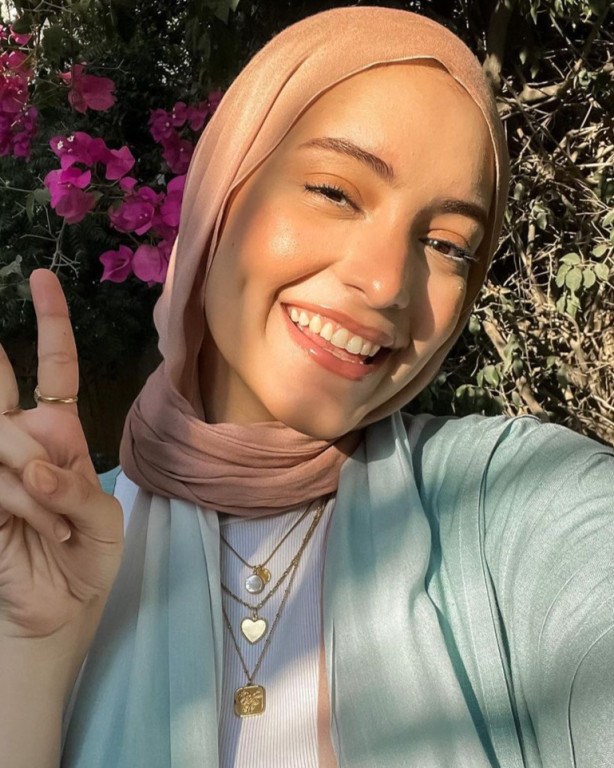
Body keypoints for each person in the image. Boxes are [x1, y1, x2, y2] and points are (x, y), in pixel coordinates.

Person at [0, 7, 612, 768]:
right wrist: (30, 653)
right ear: (219, 201)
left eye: (447, 244)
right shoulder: (47, 545)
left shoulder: (512, 498)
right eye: (334, 191)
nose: (387, 284)